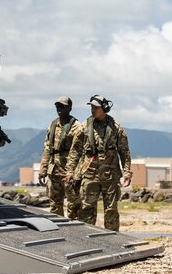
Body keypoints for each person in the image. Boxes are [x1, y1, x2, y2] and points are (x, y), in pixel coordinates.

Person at [66, 95, 131, 231]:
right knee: (87, 208)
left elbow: (124, 152)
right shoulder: (84, 127)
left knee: (111, 209)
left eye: (96, 107)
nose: (93, 110)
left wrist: (127, 172)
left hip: (110, 175)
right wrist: (70, 171)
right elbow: (75, 151)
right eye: (91, 107)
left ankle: (113, 238)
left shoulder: (116, 128)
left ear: (104, 109)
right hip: (90, 174)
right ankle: (86, 237)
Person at [38, 95, 80, 219]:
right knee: (54, 205)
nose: (59, 109)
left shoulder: (77, 126)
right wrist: (43, 169)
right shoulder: (53, 125)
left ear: (70, 108)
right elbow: (47, 148)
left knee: (73, 205)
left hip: (69, 172)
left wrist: (72, 171)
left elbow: (78, 151)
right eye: (57, 106)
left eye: (62, 106)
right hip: (54, 170)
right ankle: (58, 227)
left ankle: (75, 228)